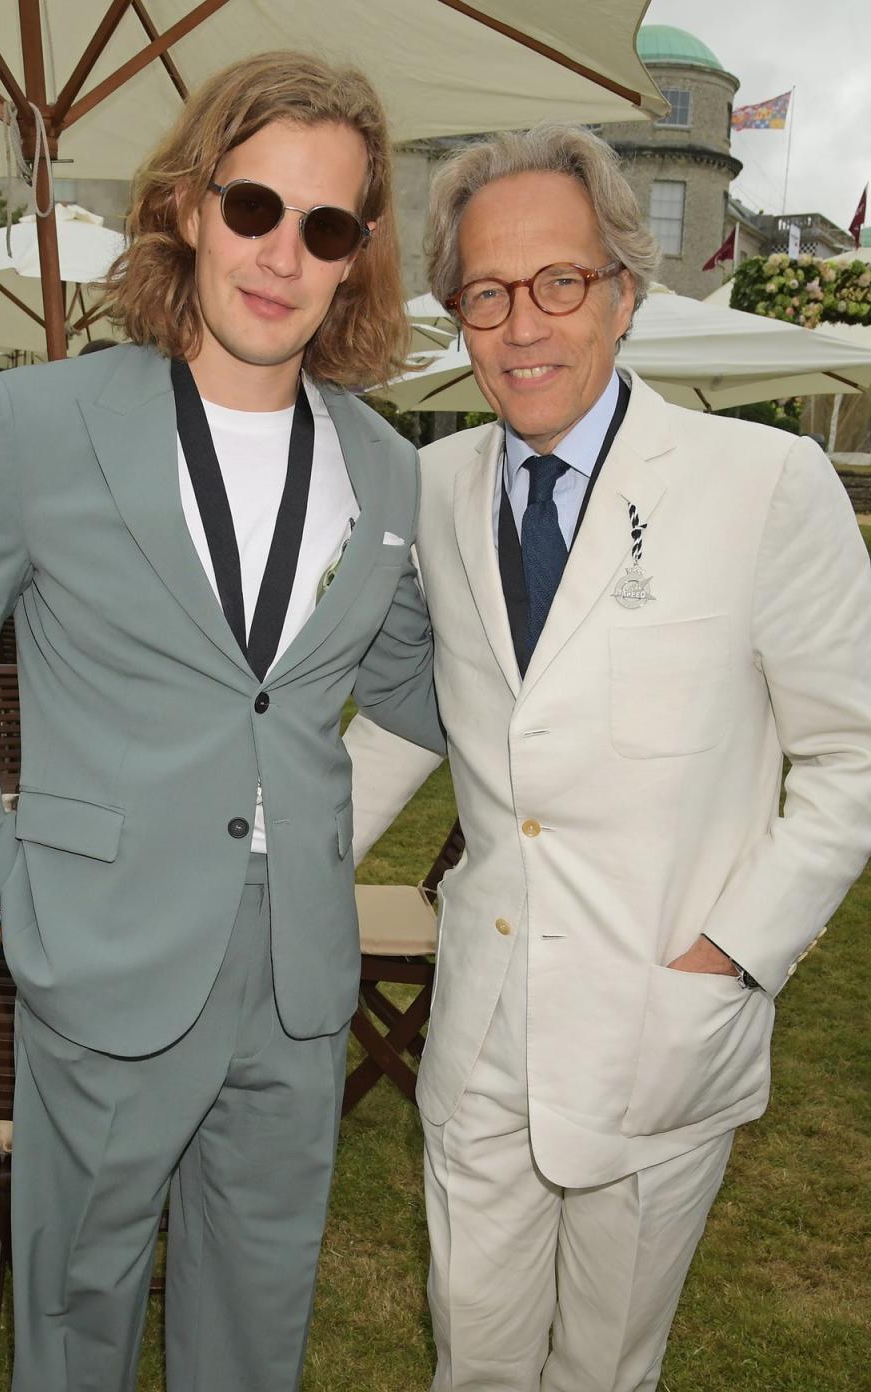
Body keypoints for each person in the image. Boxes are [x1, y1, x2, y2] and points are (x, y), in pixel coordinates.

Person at [0, 52, 443, 1392]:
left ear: (355, 257)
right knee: (76, 1324)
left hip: (305, 976)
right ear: (193, 204)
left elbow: (405, 687)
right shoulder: (45, 422)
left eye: (324, 228)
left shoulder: (387, 465)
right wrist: (2, 891)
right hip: (99, 948)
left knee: (255, 1341)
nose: (280, 255)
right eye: (254, 207)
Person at [344, 122, 871, 1391]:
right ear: (456, 312)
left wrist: (733, 954)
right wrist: (252, 869)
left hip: (662, 1033)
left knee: (605, 1375)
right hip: (480, 1032)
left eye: (559, 283)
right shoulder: (432, 487)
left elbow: (853, 757)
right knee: (471, 1363)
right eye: (485, 292)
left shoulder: (767, 483)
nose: (522, 325)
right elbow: (428, 722)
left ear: (624, 291)